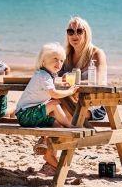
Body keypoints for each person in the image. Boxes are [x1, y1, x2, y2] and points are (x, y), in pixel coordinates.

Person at [15, 42, 78, 175]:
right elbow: (54, 94)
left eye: (61, 60)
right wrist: (70, 92)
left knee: (57, 128)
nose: (59, 63)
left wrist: (62, 80)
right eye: (55, 59)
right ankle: (70, 126)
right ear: (43, 61)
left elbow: (54, 82)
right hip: (26, 114)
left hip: (36, 114)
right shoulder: (42, 76)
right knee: (54, 103)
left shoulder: (47, 75)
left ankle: (50, 156)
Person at [60, 16, 108, 120]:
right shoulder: (65, 56)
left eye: (79, 31)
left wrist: (70, 84)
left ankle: (49, 136)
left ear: (87, 33)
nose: (74, 35)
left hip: (94, 105)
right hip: (67, 101)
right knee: (48, 109)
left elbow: (97, 83)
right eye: (70, 31)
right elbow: (55, 78)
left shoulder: (97, 54)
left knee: (58, 114)